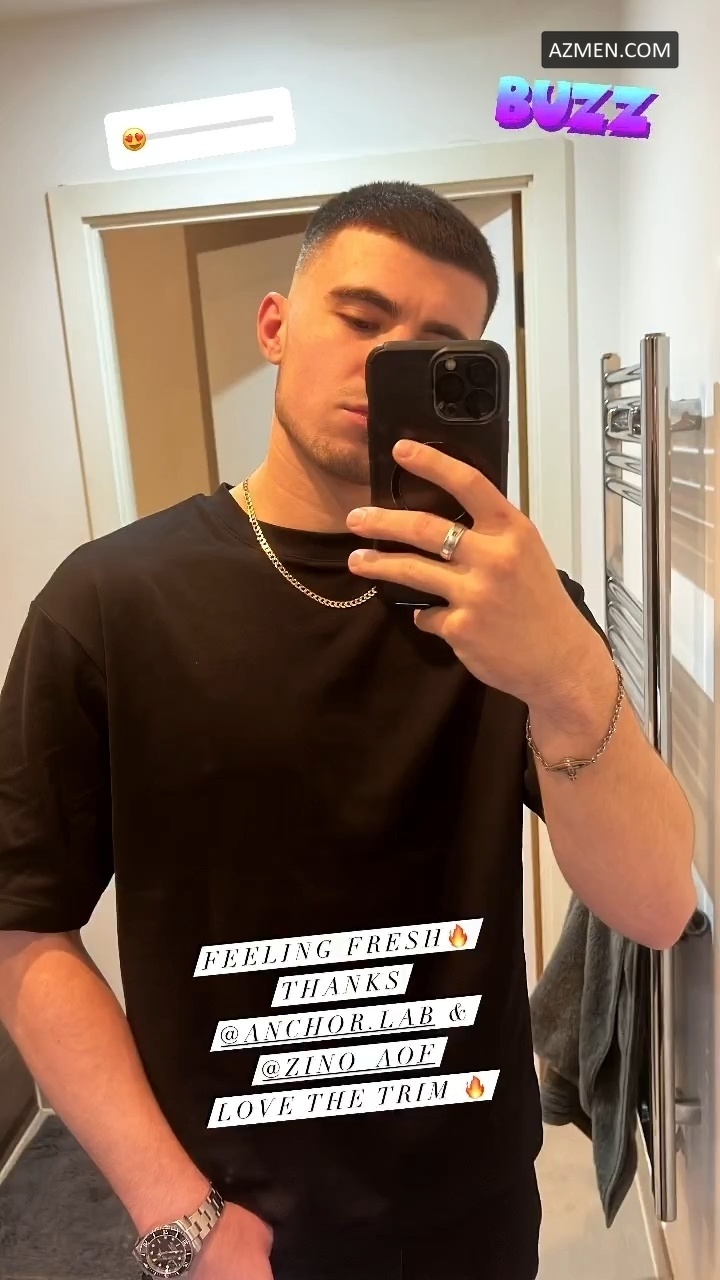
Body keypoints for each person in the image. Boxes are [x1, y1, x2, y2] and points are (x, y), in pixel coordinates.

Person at [0, 180, 695, 1280]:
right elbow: (22, 922)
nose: (384, 368)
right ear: (276, 324)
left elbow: (655, 905)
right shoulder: (108, 602)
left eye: (435, 348)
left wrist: (565, 667)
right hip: (236, 1218)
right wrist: (175, 1212)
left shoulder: (515, 611)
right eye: (362, 319)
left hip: (474, 1208)